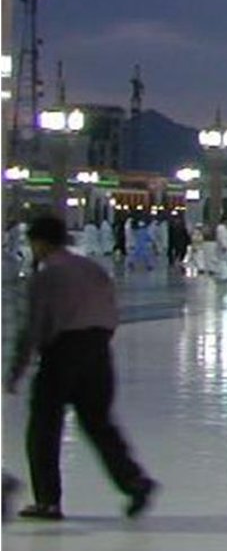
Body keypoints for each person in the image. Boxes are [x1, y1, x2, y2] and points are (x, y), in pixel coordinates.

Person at [5, 216, 159, 521]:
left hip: (62, 353)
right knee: (99, 424)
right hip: (99, 352)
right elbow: (111, 311)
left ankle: (48, 501)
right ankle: (134, 480)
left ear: (39, 242)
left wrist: (17, 370)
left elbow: (34, 328)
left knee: (44, 428)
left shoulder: (46, 277)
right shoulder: (93, 269)